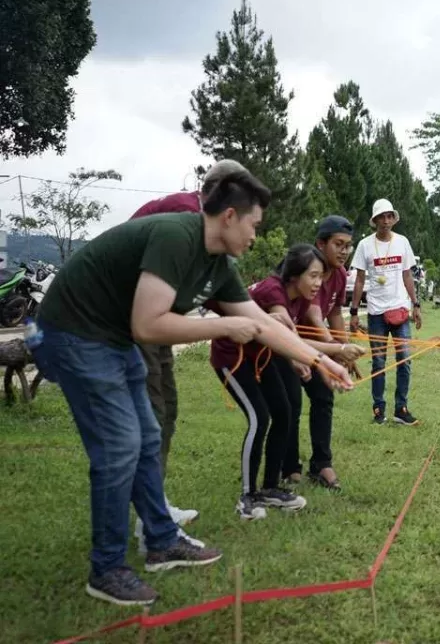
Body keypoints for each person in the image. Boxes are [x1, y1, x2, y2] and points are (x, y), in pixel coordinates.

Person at [31, 170, 353, 606]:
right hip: (74, 330)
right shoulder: (177, 236)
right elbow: (150, 324)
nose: (257, 237)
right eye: (255, 226)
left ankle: (162, 541)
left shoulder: (217, 265)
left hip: (114, 336)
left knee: (147, 436)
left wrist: (321, 360)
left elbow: (260, 324)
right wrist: (226, 323)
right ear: (230, 216)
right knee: (121, 445)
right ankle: (107, 569)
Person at [128, 159, 247, 539]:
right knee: (151, 413)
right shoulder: (186, 218)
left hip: (157, 319)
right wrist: (230, 322)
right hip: (133, 319)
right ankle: (150, 519)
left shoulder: (198, 220)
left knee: (167, 407)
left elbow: (216, 289)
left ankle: (154, 504)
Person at [210, 244, 359, 518]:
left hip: (261, 358)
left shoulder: (299, 297)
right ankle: (247, 496)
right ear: (293, 274)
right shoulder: (272, 290)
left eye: (321, 277)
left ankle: (269, 489)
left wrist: (313, 357)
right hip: (232, 358)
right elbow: (284, 338)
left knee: (284, 413)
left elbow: (291, 338)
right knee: (260, 418)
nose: (318, 284)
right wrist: (334, 351)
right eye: (313, 276)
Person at [286, 215, 365, 490]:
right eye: (338, 244)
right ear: (321, 243)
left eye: (348, 246)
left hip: (318, 349)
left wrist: (343, 349)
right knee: (291, 404)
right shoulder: (311, 270)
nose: (344, 251)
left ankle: (321, 465)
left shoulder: (341, 275)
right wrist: (337, 350)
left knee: (323, 398)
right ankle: (289, 466)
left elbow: (333, 312)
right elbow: (313, 313)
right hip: (289, 347)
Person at [349, 199, 422, 426]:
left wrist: (416, 305)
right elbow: (359, 279)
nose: (386, 221)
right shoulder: (365, 246)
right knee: (379, 362)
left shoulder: (402, 243)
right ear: (375, 220)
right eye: (382, 217)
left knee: (404, 360)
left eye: (389, 216)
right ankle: (378, 410)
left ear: (393, 219)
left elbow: (407, 276)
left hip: (400, 311)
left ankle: (401, 408)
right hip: (376, 313)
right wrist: (353, 312)